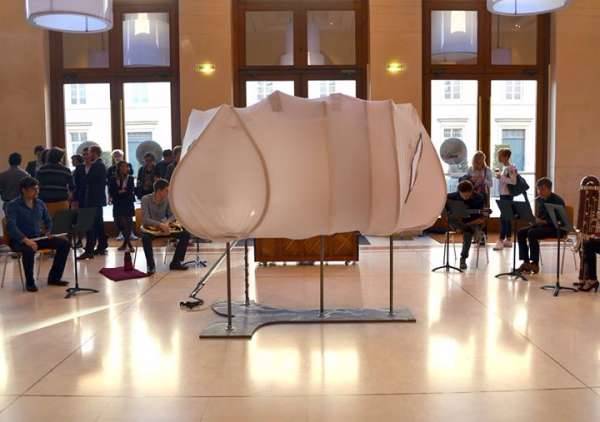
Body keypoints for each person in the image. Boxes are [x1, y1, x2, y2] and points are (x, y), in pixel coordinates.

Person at [5, 177, 70, 292]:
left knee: (64, 244)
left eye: (37, 189)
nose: (37, 191)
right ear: (24, 190)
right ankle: (30, 282)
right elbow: (11, 226)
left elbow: (48, 220)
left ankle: (54, 278)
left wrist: (49, 230)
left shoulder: (40, 203)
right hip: (19, 240)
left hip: (37, 237)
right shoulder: (13, 205)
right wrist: (25, 240)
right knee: (29, 250)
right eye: (33, 189)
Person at [516, 178, 565, 275]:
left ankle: (535, 264)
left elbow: (560, 221)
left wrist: (542, 222)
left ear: (549, 189)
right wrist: (534, 221)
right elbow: (541, 218)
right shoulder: (541, 200)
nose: (539, 192)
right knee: (521, 232)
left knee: (532, 233)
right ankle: (526, 262)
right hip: (544, 226)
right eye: (538, 189)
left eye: (542, 189)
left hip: (557, 228)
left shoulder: (557, 201)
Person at [140, 178, 190, 274]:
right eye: (166, 190)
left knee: (185, 234)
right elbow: (145, 219)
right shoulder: (145, 199)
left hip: (164, 228)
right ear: (159, 191)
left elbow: (173, 215)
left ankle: (176, 262)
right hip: (151, 229)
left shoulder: (167, 199)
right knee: (145, 238)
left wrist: (167, 223)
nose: (168, 192)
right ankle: (150, 266)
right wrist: (160, 224)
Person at [76, 145, 108, 260]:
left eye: (88, 153)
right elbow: (78, 183)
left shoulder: (99, 166)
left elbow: (93, 181)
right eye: (84, 154)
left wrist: (89, 166)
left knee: (93, 224)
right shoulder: (80, 167)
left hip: (95, 199)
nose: (86, 156)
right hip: (84, 199)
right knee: (95, 223)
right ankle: (102, 245)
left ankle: (89, 250)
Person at [446, 180, 486, 270]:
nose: (465, 197)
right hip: (457, 223)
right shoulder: (451, 197)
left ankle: (463, 258)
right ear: (459, 192)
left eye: (467, 195)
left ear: (472, 192)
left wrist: (468, 223)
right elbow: (446, 212)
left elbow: (481, 218)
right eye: (463, 195)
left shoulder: (479, 198)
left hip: (472, 222)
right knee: (455, 221)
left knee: (468, 232)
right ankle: (475, 232)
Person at [493, 148, 518, 250]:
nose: (499, 158)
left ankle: (501, 239)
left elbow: (513, 181)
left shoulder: (511, 168)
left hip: (507, 195)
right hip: (504, 194)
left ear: (506, 157)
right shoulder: (505, 167)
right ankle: (508, 239)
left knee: (504, 217)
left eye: (501, 156)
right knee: (506, 217)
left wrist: (501, 177)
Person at [108, 161, 136, 252]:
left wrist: (120, 192)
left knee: (128, 222)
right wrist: (120, 192)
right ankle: (126, 243)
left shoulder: (130, 178)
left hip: (127, 202)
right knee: (118, 222)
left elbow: (130, 191)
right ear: (119, 168)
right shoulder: (113, 178)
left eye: (126, 167)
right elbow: (112, 191)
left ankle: (128, 244)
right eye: (122, 166)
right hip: (117, 202)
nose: (125, 168)